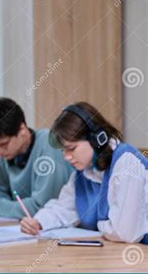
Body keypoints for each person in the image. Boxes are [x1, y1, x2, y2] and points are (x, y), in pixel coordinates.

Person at [21, 102, 148, 244]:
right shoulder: (84, 171)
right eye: (63, 150)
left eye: (71, 148)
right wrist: (38, 222)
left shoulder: (126, 163)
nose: (66, 157)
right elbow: (64, 207)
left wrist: (99, 225)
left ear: (96, 139)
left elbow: (125, 233)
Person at [0, 97, 72, 219]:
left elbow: (41, 208)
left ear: (22, 129)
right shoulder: (2, 155)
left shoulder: (49, 145)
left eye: (3, 144)